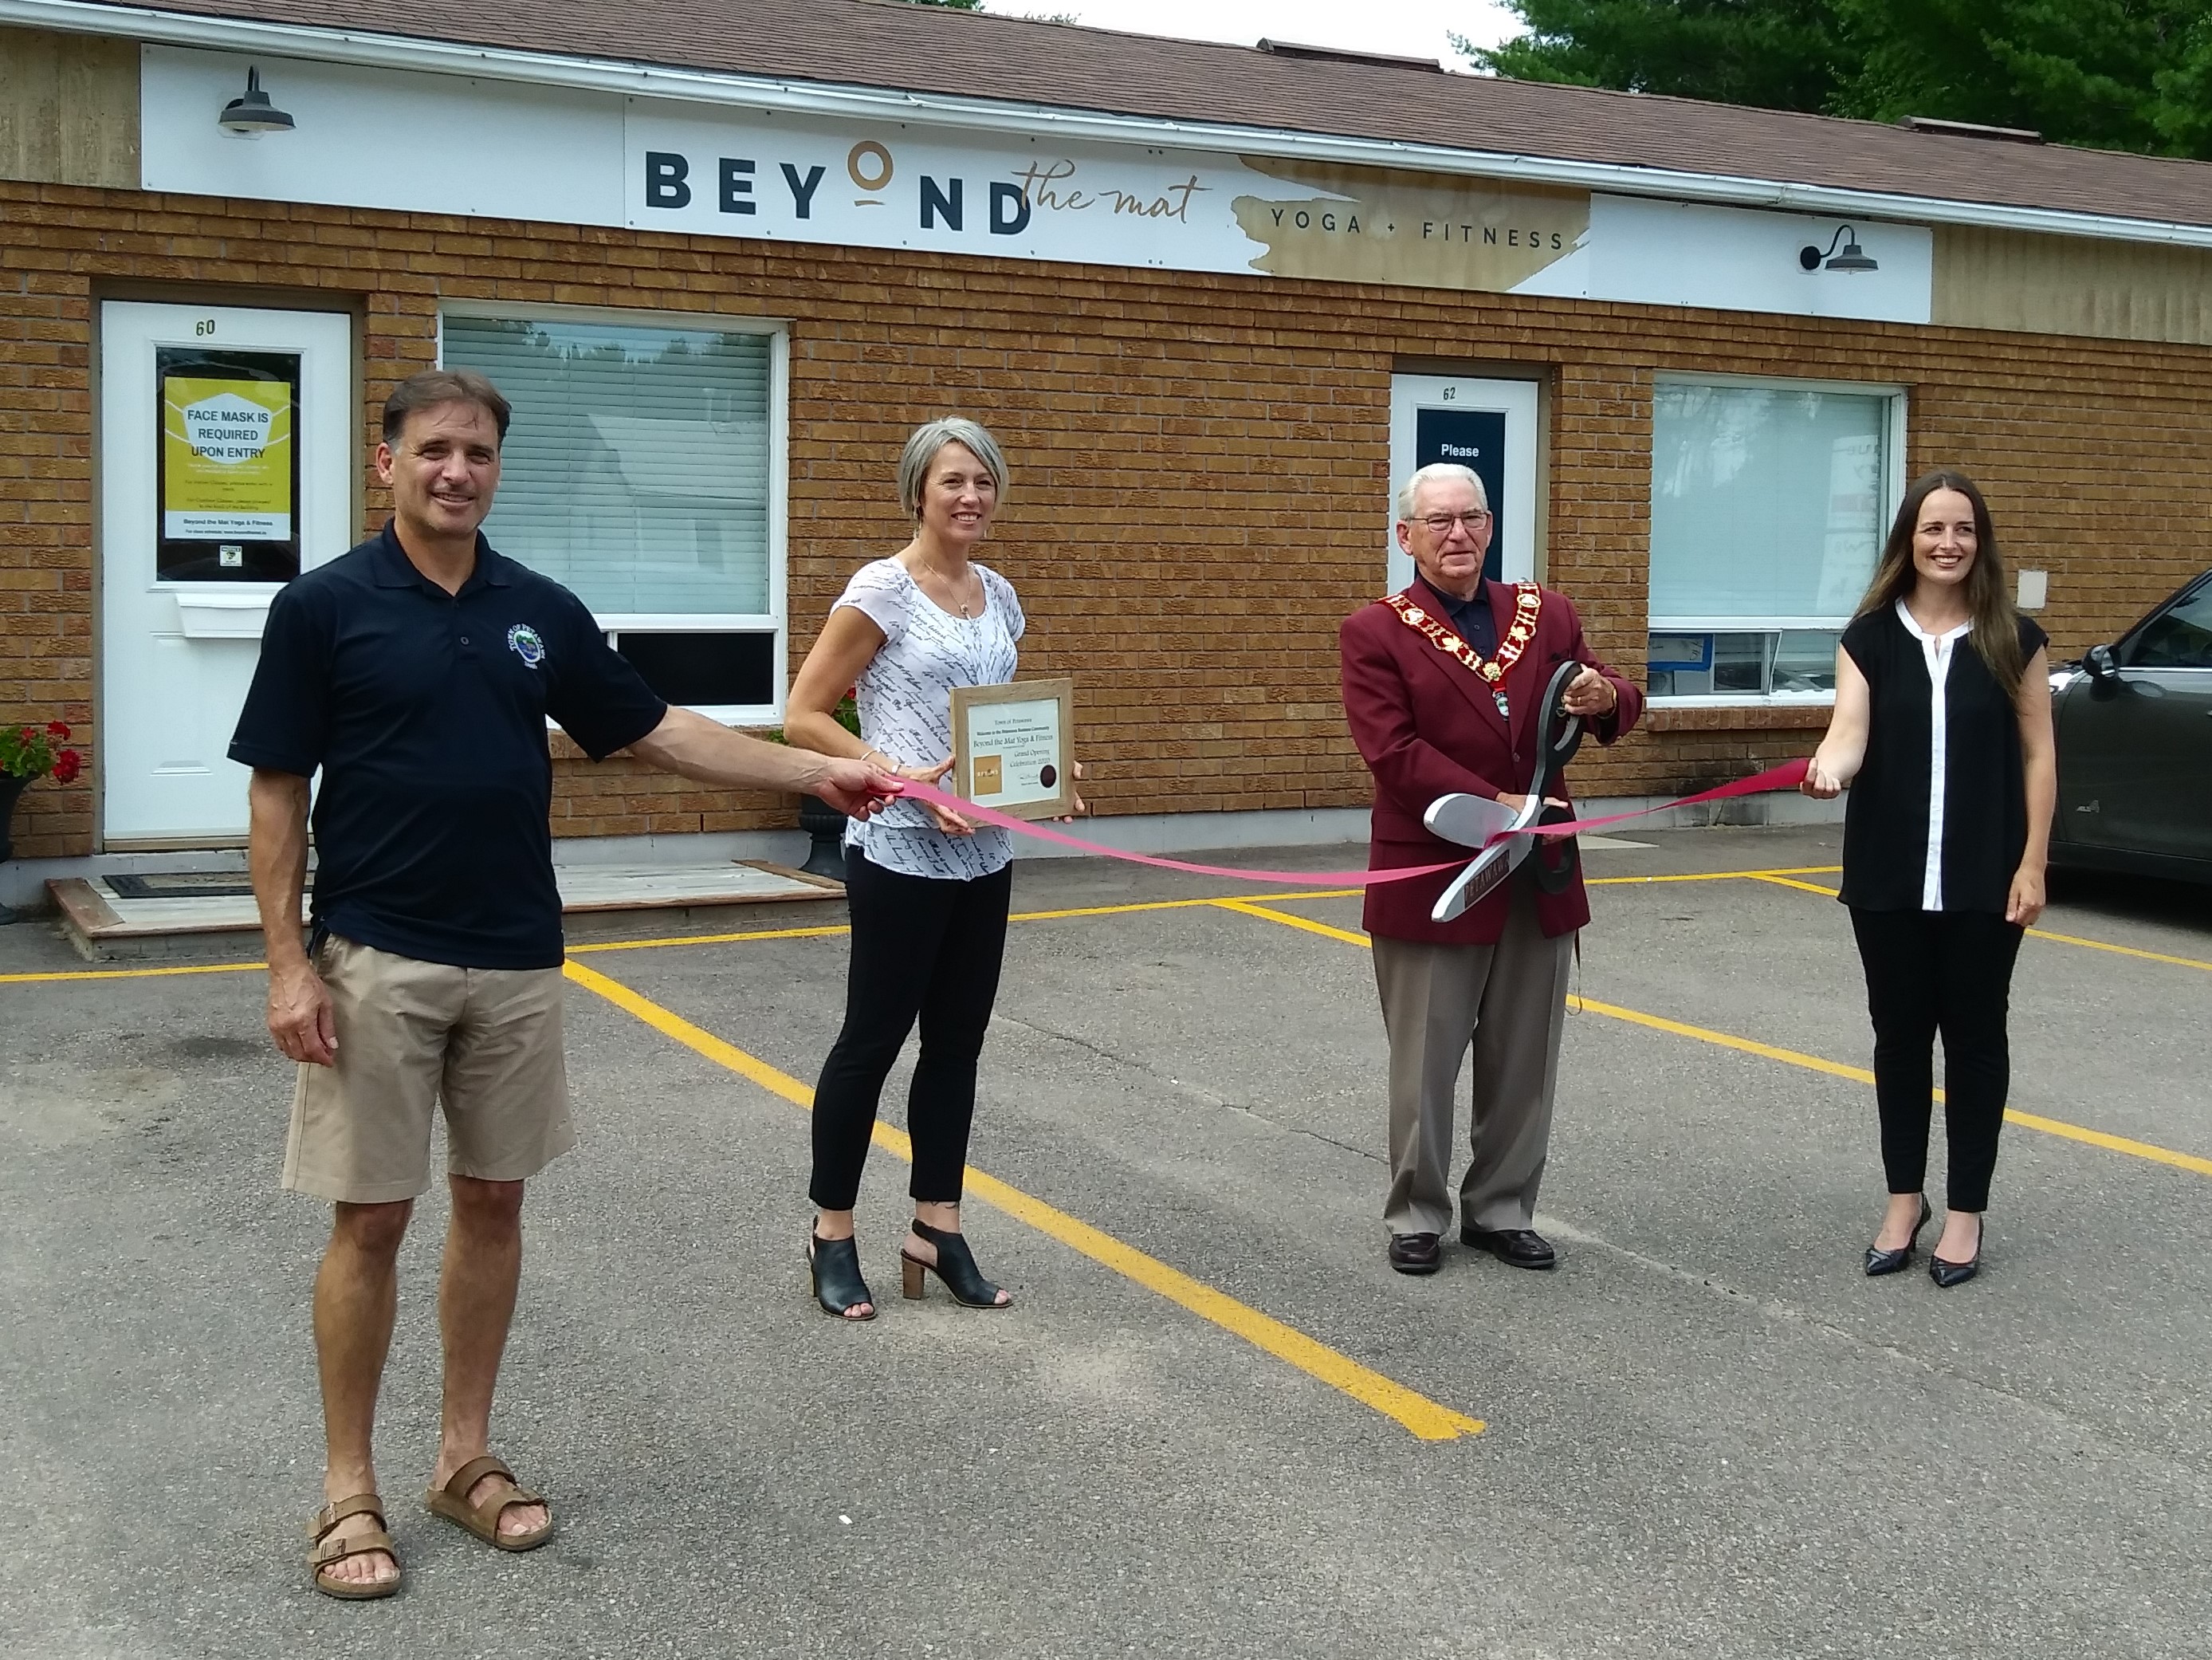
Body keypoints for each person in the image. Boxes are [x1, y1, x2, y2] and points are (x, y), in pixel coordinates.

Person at [231, 368, 897, 1600]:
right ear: (387, 464)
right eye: (433, 450)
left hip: (517, 958)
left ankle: (462, 1457)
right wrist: (285, 966)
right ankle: (345, 1487)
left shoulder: (538, 609)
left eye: (476, 452)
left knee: (492, 1204)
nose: (456, 471)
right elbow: (276, 789)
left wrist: (812, 775)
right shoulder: (324, 607)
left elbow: (652, 727)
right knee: (369, 1217)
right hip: (376, 953)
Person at [1340, 463, 1641, 1276]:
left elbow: (1613, 692)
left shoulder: (1547, 613)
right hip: (1433, 874)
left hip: (1538, 870)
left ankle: (1502, 1209)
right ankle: (1417, 1213)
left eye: (1470, 517)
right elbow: (1392, 753)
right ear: (1406, 537)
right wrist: (1496, 801)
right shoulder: (1375, 631)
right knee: (1425, 1063)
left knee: (1523, 1056)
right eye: (1437, 522)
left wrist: (1603, 697)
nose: (1457, 534)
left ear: (1491, 524)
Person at [784, 416, 1049, 1320]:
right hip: (899, 849)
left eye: (983, 480)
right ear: (917, 492)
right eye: (952, 482)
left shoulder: (1000, 593)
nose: (970, 496)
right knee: (870, 1042)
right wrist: (899, 780)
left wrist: (1049, 774)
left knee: (959, 1047)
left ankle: (937, 1226)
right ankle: (831, 1231)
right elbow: (805, 714)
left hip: (985, 851)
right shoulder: (883, 591)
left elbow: (1002, 720)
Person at [1803, 470, 2053, 1288]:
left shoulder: (2014, 638)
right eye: (1933, 528)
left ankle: (1968, 1210)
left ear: (1981, 544)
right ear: (1908, 540)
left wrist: (2032, 861)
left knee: (1977, 1043)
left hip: (1986, 878)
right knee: (1899, 1042)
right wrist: (1829, 771)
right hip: (1889, 879)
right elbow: (1849, 732)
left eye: (1964, 531)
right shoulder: (1869, 636)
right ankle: (1904, 1201)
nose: (1948, 543)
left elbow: (2040, 756)